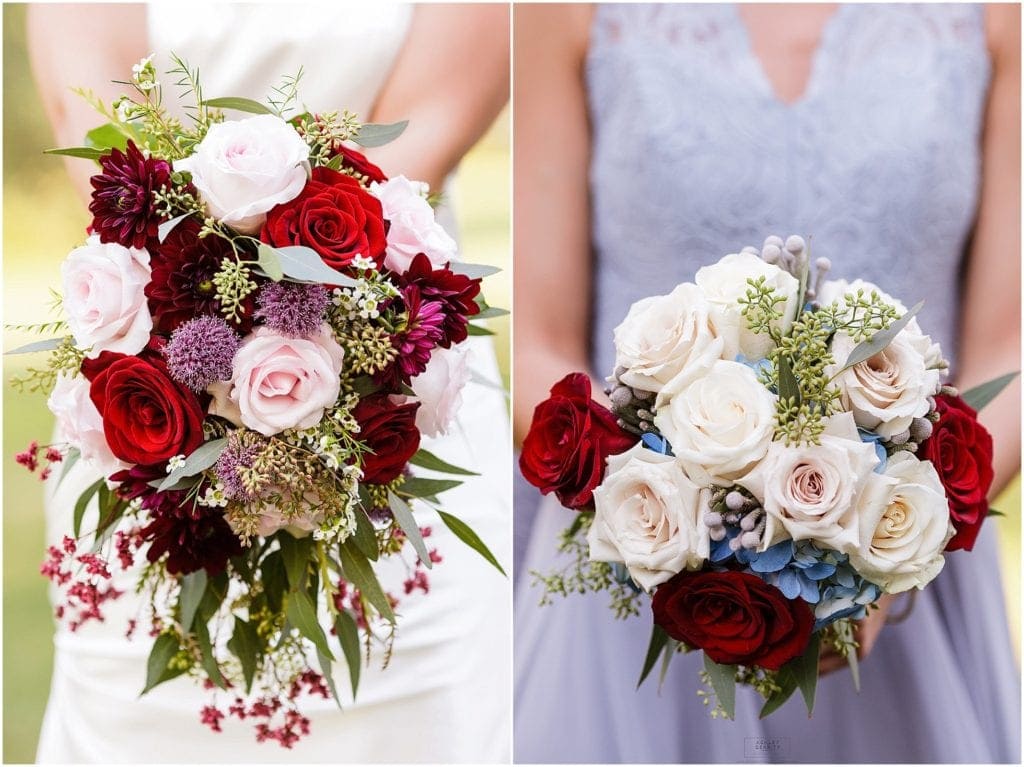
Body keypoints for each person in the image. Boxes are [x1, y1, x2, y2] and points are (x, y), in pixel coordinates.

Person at [513, 3, 1020, 762]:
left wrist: (881, 557)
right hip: (630, 557)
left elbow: (1009, 346)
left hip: (908, 562)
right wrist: (677, 533)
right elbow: (538, 341)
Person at [28, 3, 511, 762]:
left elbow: (425, 126)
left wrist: (320, 344)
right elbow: (87, 112)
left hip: (393, 369)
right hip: (147, 361)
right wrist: (177, 305)